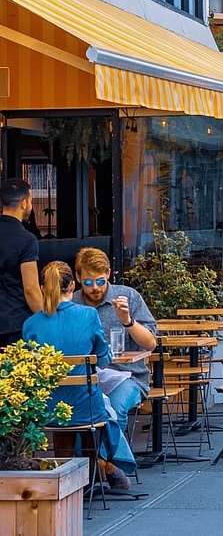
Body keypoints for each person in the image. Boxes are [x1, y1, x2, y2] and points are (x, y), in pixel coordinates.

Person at [23, 261, 136, 490]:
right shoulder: (88, 316)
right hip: (86, 406)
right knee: (100, 412)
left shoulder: (31, 324)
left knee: (63, 412)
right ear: (72, 285)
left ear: (43, 288)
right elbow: (104, 359)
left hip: (48, 406)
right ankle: (101, 471)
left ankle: (68, 484)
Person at [73, 247, 157, 433]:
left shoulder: (128, 297)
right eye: (88, 282)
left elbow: (150, 344)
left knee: (113, 410)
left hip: (128, 376)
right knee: (75, 418)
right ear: (78, 278)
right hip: (84, 378)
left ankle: (108, 460)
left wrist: (128, 321)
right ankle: (89, 461)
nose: (95, 287)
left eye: (100, 281)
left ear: (109, 274)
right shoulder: (72, 304)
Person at [0, 178, 43, 347]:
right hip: (15, 324)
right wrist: (46, 319)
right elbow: (31, 290)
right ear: (24, 203)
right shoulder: (26, 240)